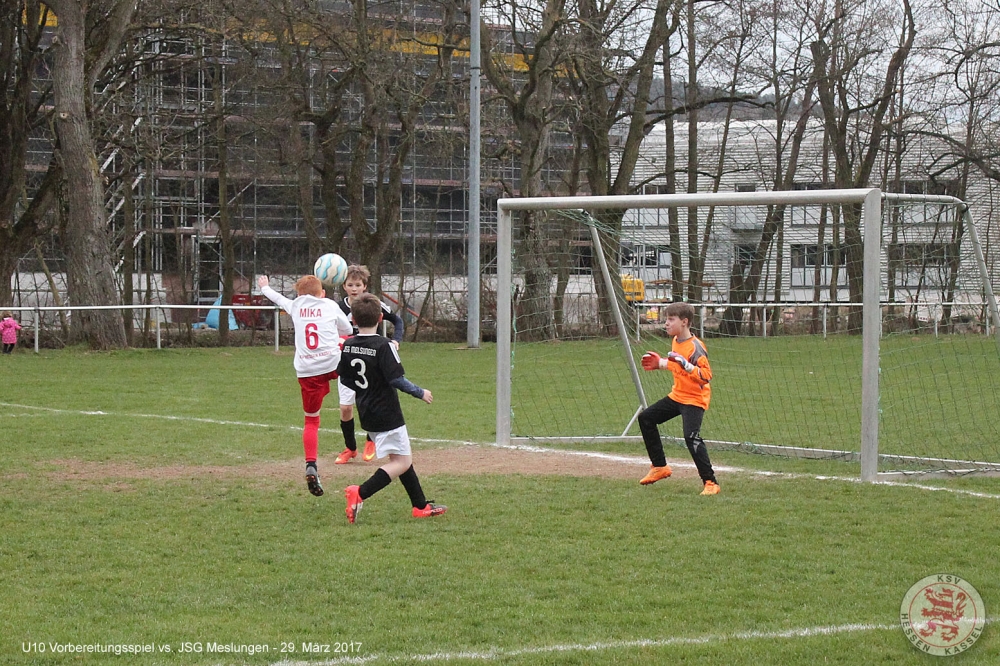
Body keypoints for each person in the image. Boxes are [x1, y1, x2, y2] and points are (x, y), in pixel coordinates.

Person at [338, 293, 445, 523]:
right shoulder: (384, 345)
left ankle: (420, 505)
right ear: (380, 318)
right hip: (387, 412)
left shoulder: (348, 345)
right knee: (401, 462)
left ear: (353, 320)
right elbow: (396, 379)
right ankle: (360, 492)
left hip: (366, 411)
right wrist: (420, 392)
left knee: (401, 456)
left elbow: (345, 378)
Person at [258, 274, 354, 497]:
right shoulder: (329, 305)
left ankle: (311, 464)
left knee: (311, 421)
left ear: (299, 295)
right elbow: (348, 331)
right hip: (334, 363)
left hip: (308, 371)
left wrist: (264, 287)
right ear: (322, 293)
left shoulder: (295, 306)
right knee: (349, 343)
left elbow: (277, 298)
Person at [637, 301, 720, 495]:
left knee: (691, 437)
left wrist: (688, 366)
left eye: (671, 319)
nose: (666, 323)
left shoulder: (696, 348)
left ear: (684, 322)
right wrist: (661, 364)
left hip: (694, 399)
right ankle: (660, 467)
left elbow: (706, 376)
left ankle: (711, 482)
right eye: (666, 319)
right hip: (678, 396)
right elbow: (677, 364)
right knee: (646, 418)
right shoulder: (676, 341)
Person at [332, 264, 405, 466]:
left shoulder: (373, 304)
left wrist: (396, 340)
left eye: (358, 285)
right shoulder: (337, 308)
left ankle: (370, 440)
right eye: (350, 285)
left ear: (365, 286)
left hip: (372, 361)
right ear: (344, 286)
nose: (354, 289)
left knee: (370, 403)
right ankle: (350, 448)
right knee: (345, 408)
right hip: (349, 361)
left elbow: (397, 320)